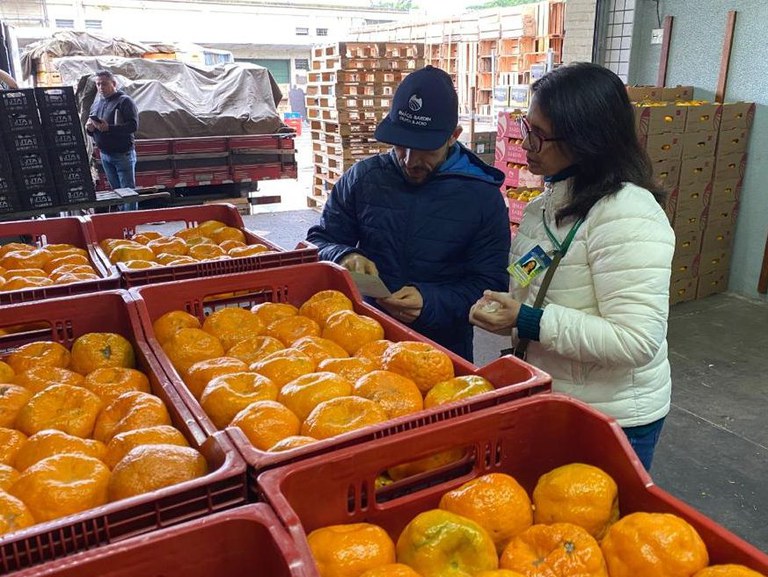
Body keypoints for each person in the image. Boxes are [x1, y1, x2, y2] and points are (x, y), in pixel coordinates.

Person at [469, 62, 675, 470]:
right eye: (526, 128)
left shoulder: (627, 213)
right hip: (555, 396)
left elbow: (636, 340)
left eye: (538, 135)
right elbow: (531, 283)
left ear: (586, 139)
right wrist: (506, 310)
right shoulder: (543, 207)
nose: (526, 144)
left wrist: (529, 321)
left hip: (612, 417)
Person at [307, 65, 510, 361]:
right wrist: (342, 255)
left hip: (441, 352)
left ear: (454, 135)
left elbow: (489, 287)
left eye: (425, 148)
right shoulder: (363, 178)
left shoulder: (482, 197)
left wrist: (430, 302)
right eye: (401, 145)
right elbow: (318, 242)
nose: (410, 160)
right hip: (363, 338)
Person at [85, 69, 139, 210]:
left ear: (113, 83)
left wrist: (109, 128)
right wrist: (90, 129)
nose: (100, 87)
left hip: (122, 154)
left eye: (104, 84)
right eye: (98, 84)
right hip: (105, 154)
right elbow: (94, 126)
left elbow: (133, 126)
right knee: (116, 193)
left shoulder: (125, 101)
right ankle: (123, 223)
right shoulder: (97, 102)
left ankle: (131, 224)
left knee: (128, 193)